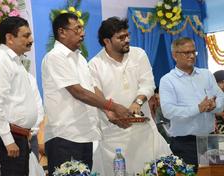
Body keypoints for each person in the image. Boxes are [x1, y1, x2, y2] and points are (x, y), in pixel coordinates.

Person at [41, 13, 131, 176]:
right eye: (77, 29)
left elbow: (91, 88)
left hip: (85, 134)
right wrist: (113, 106)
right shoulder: (55, 57)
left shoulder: (80, 59)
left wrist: (108, 112)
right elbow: (78, 92)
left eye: (82, 28)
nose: (83, 33)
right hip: (65, 136)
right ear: (62, 32)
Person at [88, 17, 171, 175]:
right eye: (121, 37)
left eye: (127, 35)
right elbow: (95, 93)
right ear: (107, 41)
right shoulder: (95, 64)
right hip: (113, 134)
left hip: (143, 131)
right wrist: (109, 112)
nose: (127, 40)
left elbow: (148, 84)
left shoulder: (138, 54)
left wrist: (137, 103)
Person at [159, 37, 224, 172]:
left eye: (193, 52)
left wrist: (214, 106)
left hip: (210, 140)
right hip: (185, 143)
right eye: (186, 52)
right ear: (174, 55)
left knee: (215, 174)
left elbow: (221, 97)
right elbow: (168, 111)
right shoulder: (168, 80)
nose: (191, 56)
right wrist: (198, 108)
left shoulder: (206, 74)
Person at [0, 16, 37, 176]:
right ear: (9, 38)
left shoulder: (15, 61)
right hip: (5, 140)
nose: (31, 39)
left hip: (17, 138)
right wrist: (8, 140)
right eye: (25, 35)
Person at [22, 58, 45, 160]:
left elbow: (38, 108)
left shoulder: (30, 78)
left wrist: (31, 132)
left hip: (31, 136)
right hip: (9, 138)